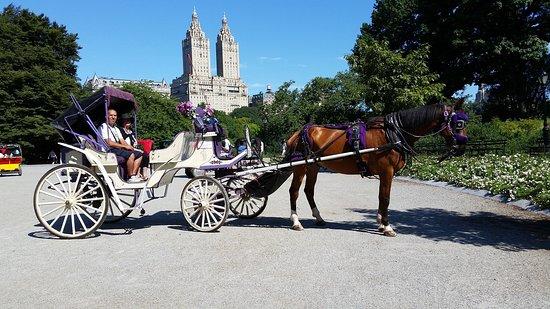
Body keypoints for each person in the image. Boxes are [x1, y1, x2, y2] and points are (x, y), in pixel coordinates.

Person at [98, 108, 143, 182]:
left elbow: (122, 141)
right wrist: (125, 146)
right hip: (109, 150)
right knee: (131, 155)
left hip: (116, 149)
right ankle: (130, 176)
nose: (113, 117)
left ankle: (133, 175)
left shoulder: (116, 128)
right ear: (107, 116)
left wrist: (130, 147)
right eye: (111, 115)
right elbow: (109, 142)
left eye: (115, 115)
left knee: (139, 154)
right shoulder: (103, 127)